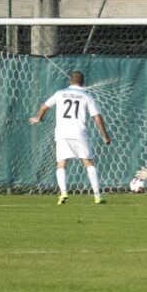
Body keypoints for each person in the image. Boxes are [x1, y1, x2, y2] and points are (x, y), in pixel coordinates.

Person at [29, 71, 111, 205]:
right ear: (83, 82)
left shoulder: (60, 93)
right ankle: (97, 196)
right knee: (88, 163)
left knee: (61, 164)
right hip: (79, 133)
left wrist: (39, 118)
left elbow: (44, 107)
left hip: (62, 133)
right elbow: (96, 116)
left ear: (69, 82)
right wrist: (105, 135)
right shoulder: (86, 95)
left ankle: (63, 193)